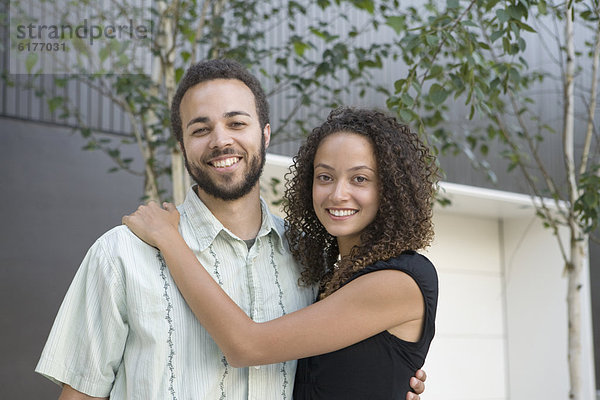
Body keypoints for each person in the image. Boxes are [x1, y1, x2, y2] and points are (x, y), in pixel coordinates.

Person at [35, 59, 427, 399]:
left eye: (236, 122)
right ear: (182, 145)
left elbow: (262, 348)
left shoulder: (311, 261)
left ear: (265, 134)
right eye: (201, 129)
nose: (221, 140)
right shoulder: (120, 253)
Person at [123, 106, 439, 399]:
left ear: (391, 189)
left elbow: (246, 346)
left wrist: (169, 239)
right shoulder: (331, 276)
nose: (338, 194)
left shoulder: (398, 280)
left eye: (360, 179)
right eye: (325, 177)